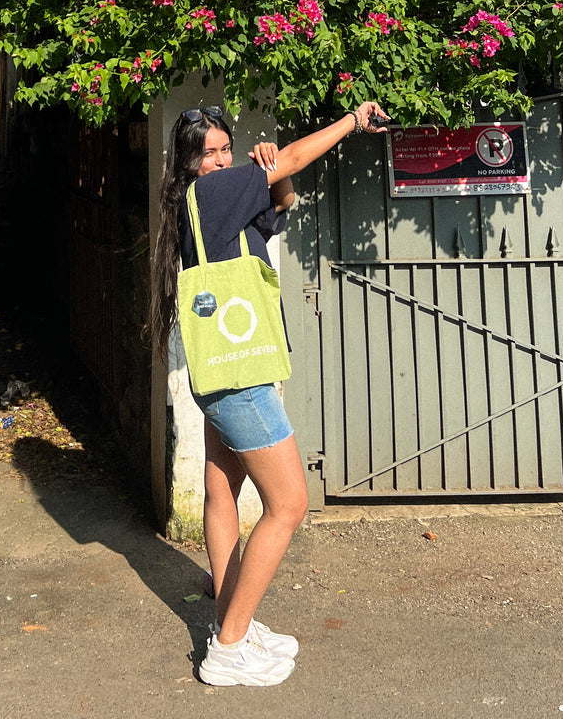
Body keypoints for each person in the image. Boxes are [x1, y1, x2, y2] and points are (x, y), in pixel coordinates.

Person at [151, 100, 389, 687]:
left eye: (227, 150)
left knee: (221, 492)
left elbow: (278, 203)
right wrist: (353, 122)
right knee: (289, 504)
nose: (221, 160)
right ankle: (228, 648)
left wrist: (271, 173)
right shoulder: (210, 195)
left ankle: (234, 617)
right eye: (209, 153)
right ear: (186, 162)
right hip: (242, 378)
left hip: (221, 372)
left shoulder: (209, 201)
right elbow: (296, 155)